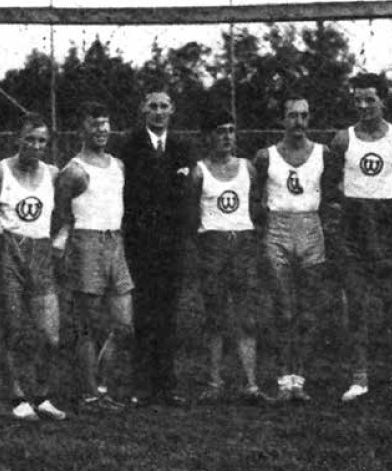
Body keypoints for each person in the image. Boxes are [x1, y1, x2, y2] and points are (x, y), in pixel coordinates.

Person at [329, 73, 392, 403]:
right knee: (357, 304)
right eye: (358, 100)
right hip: (354, 226)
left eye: (370, 99)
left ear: (383, 101)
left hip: (389, 225)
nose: (364, 106)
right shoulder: (342, 139)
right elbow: (333, 184)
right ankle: (359, 377)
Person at [252, 95, 339, 402]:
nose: (298, 122)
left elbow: (331, 194)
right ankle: (282, 377)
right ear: (282, 120)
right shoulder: (266, 156)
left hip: (311, 228)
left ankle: (299, 378)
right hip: (278, 228)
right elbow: (254, 197)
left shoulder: (323, 153)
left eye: (304, 115)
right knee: (283, 308)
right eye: (292, 116)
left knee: (307, 309)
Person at [53, 101, 134, 412]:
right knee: (88, 324)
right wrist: (64, 246)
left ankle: (102, 385)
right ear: (81, 129)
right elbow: (61, 216)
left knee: (124, 324)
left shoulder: (119, 165)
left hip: (115, 242)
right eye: (93, 124)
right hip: (86, 243)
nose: (101, 129)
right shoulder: (73, 171)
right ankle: (89, 394)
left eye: (104, 123)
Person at [189, 109, 269, 403]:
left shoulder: (247, 168)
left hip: (243, 246)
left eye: (231, 130)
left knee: (247, 317)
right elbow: (191, 215)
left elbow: (257, 206)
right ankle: (214, 382)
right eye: (220, 131)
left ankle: (251, 384)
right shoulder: (199, 171)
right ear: (208, 136)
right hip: (212, 246)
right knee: (215, 317)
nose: (226, 137)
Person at [0, 113, 67, 421]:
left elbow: (67, 215)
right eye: (30, 139)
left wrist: (62, 237)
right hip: (9, 252)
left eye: (41, 141)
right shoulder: (0, 170)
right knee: (11, 329)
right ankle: (16, 396)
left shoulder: (52, 173)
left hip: (41, 253)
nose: (35, 146)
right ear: (17, 139)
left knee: (50, 335)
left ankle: (43, 395)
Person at [120, 90, 192, 407]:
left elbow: (186, 195)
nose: (159, 112)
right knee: (142, 314)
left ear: (172, 110)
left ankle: (167, 384)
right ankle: (142, 385)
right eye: (153, 106)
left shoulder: (182, 147)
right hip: (139, 242)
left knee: (168, 314)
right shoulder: (128, 145)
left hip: (171, 244)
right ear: (143, 109)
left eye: (164, 106)